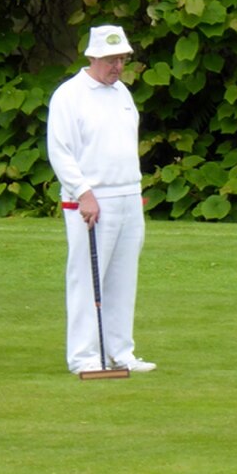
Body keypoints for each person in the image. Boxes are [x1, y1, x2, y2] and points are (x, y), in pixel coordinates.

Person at [47, 24, 156, 375]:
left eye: (122, 59)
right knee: (86, 276)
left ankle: (120, 351)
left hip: (128, 195)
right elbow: (60, 151)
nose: (118, 67)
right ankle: (84, 356)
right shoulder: (70, 95)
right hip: (91, 200)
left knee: (124, 278)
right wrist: (83, 192)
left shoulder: (122, 93)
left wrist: (133, 191)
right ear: (93, 57)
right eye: (111, 60)